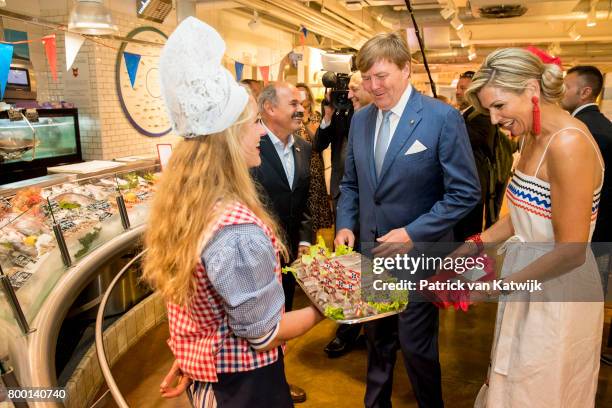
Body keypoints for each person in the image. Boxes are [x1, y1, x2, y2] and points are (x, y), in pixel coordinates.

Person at [142, 17, 323, 407]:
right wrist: (329, 307)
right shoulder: (236, 232)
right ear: (227, 139)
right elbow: (264, 334)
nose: (261, 132)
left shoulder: (193, 205)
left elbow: (203, 311)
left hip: (211, 379)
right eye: (253, 123)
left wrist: (189, 359)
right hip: (243, 389)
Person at [334, 32, 481, 408]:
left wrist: (413, 232)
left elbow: (465, 193)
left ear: (406, 69)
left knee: (417, 349)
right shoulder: (361, 120)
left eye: (381, 76)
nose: (373, 86)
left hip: (418, 259)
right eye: (366, 78)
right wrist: (346, 225)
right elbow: (351, 184)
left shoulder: (442, 118)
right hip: (371, 254)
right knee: (377, 344)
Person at [465, 48, 604, 407]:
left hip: (557, 291)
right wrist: (475, 243)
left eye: (499, 106)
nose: (494, 119)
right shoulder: (531, 134)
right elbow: (526, 215)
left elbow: (571, 251)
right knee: (511, 382)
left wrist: (498, 287)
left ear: (530, 89)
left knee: (539, 388)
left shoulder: (569, 144)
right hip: (527, 279)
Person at [251, 82, 314, 403]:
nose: (300, 109)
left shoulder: (304, 147)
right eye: (292, 103)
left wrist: (304, 241)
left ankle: (276, 381)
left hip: (289, 255)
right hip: (254, 254)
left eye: (301, 103)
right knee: (257, 325)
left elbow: (304, 203)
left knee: (283, 317)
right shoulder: (250, 146)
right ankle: (257, 387)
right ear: (269, 108)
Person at [315, 71, 374, 358]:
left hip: (378, 204)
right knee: (348, 268)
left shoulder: (380, 115)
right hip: (346, 198)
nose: (348, 94)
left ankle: (380, 328)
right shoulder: (342, 113)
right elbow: (318, 144)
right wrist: (327, 115)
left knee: (377, 267)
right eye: (347, 89)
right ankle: (347, 330)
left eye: (353, 88)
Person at [561, 65, 612, 365]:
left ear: (585, 91)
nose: (561, 91)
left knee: (583, 297)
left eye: (567, 86)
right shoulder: (600, 125)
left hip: (593, 231)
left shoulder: (581, 132)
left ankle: (583, 353)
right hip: (598, 229)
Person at [454, 71, 515, 241]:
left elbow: (465, 141)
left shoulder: (482, 115)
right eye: (458, 87)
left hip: (473, 186)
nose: (458, 92)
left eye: (463, 88)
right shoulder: (464, 114)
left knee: (468, 234)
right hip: (461, 186)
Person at [295, 83, 334, 233]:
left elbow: (318, 142)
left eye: (303, 94)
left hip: (316, 169)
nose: (301, 98)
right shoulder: (293, 118)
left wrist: (307, 120)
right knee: (303, 211)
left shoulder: (316, 117)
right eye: (297, 95)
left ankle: (314, 245)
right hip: (301, 169)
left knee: (316, 213)